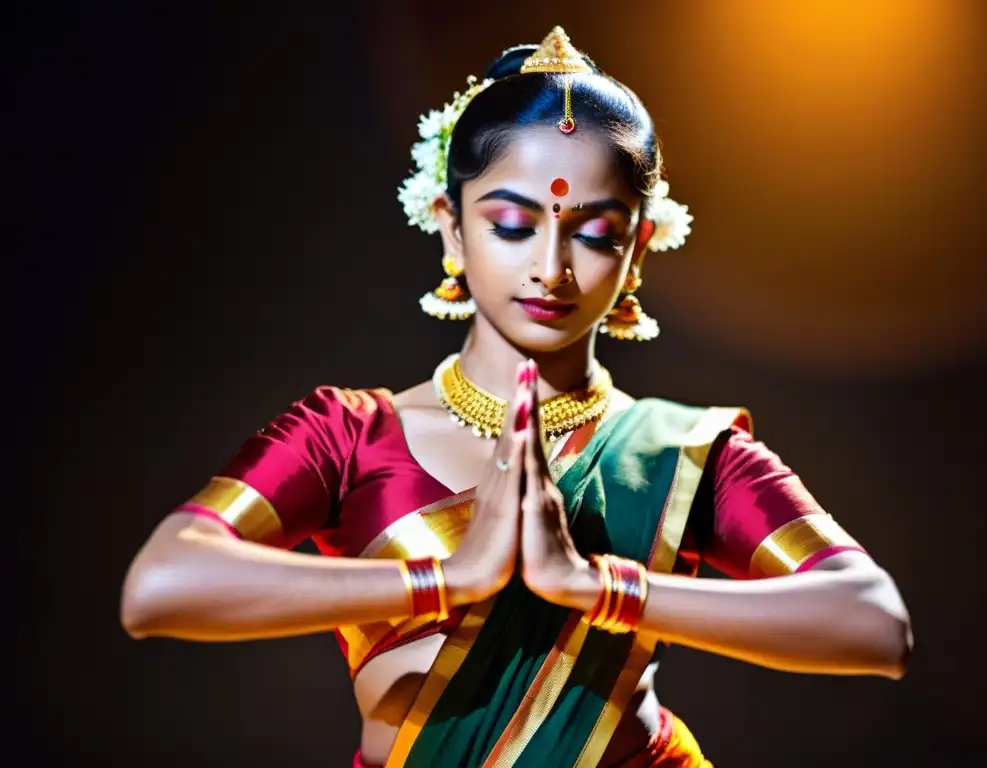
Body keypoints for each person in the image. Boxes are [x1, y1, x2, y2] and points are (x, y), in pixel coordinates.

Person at [120, 27, 913, 768]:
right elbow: (159, 587)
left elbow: (876, 625)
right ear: (451, 228)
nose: (552, 267)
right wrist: (447, 581)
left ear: (638, 248)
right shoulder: (349, 437)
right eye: (511, 225)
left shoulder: (683, 454)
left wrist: (594, 587)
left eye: (596, 233)